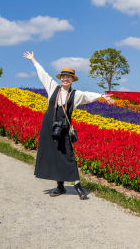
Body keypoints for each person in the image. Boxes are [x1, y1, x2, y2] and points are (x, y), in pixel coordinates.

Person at [23, 51, 114, 199]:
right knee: (53, 155)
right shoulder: (53, 87)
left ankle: (78, 186)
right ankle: (60, 187)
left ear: (72, 79)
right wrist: (33, 60)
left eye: (68, 77)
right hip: (49, 126)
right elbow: (43, 74)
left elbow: (87, 95)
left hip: (64, 128)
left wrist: (102, 96)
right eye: (63, 77)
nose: (65, 79)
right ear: (61, 78)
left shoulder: (76, 95)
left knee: (68, 156)